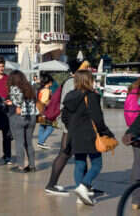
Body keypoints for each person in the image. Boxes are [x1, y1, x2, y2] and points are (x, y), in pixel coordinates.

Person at [61, 68, 113, 206]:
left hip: (74, 135)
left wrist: (73, 126)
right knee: (97, 164)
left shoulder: (70, 96)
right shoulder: (92, 96)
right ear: (89, 80)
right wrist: (106, 132)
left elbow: (64, 116)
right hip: (90, 135)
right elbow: (98, 119)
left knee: (80, 163)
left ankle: (80, 196)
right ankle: (83, 186)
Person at [44, 61, 84, 197]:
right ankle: (51, 184)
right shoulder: (72, 82)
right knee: (65, 153)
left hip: (71, 123)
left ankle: (84, 185)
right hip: (71, 124)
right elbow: (70, 104)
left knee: (77, 153)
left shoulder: (71, 81)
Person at [7, 70, 38, 173]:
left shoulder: (14, 88)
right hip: (32, 116)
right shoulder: (30, 87)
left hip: (19, 117)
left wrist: (11, 103)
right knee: (29, 142)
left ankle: (21, 166)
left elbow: (18, 101)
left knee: (19, 142)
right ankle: (32, 165)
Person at [122, 77, 140, 211]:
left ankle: (135, 200)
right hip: (136, 131)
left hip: (134, 133)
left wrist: (130, 132)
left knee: (137, 164)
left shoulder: (132, 89)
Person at [36, 75, 58, 148]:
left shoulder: (41, 90)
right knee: (51, 127)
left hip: (41, 111)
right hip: (46, 111)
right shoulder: (46, 90)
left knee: (42, 127)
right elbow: (44, 101)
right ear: (49, 82)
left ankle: (40, 142)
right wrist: (51, 101)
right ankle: (41, 141)